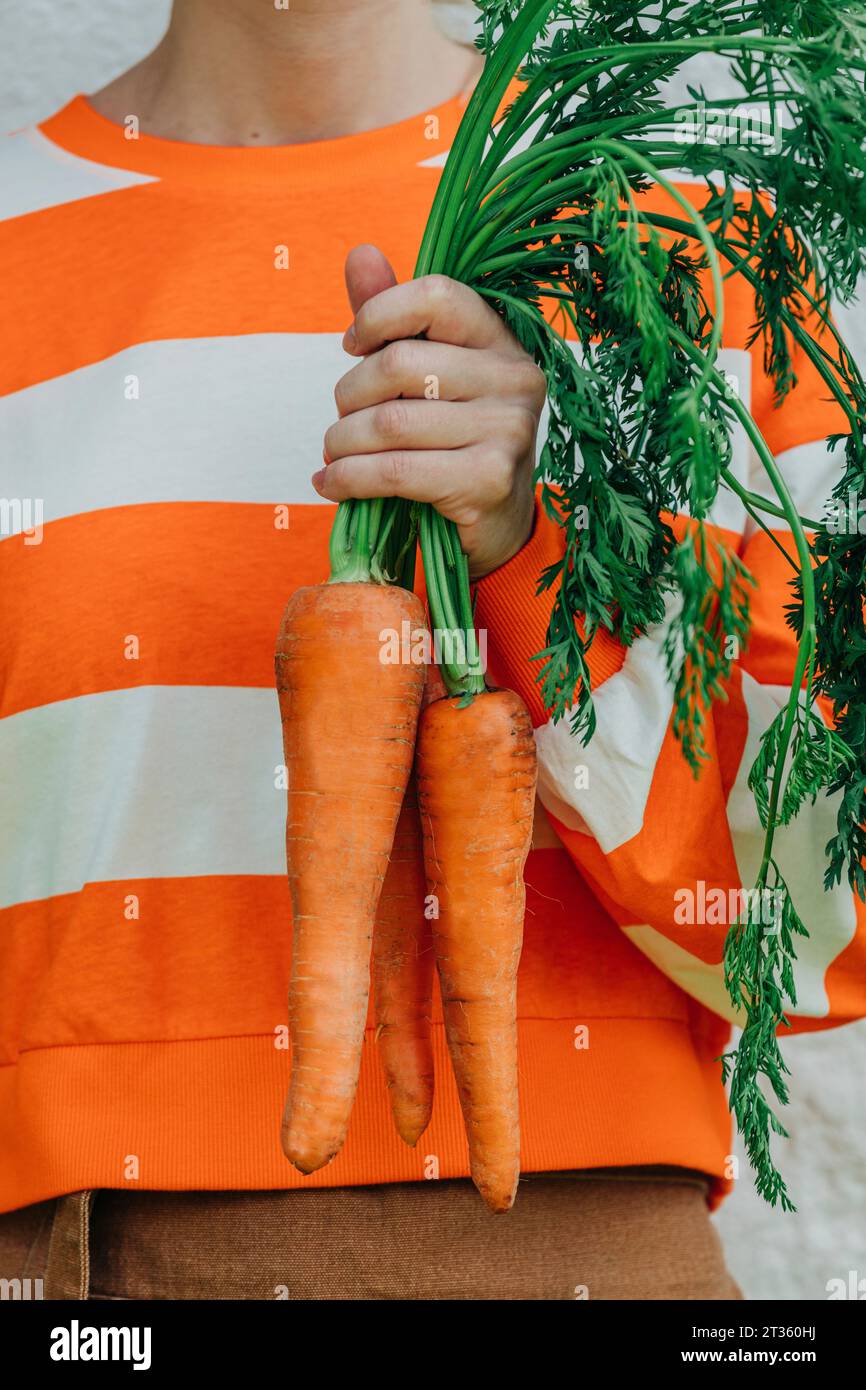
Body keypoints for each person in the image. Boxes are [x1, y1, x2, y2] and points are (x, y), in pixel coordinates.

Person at [0, 0, 862, 1301]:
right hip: (64, 1267)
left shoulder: (695, 237)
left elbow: (813, 908)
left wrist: (537, 542)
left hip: (554, 1242)